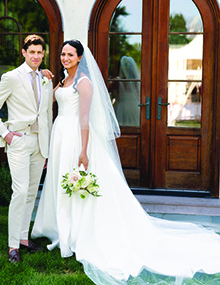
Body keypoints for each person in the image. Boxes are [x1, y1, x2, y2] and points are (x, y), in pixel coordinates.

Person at [31, 40, 220, 284]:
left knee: (79, 187)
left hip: (77, 138)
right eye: (63, 54)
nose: (65, 58)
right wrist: (45, 78)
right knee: (61, 181)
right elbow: (54, 102)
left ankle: (77, 231)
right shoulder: (62, 80)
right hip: (60, 135)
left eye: (70, 54)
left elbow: (85, 120)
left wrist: (84, 151)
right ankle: (59, 226)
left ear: (79, 58)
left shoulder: (84, 83)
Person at [0, 34, 53, 263]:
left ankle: (24, 238)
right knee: (20, 191)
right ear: (23, 53)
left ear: (43, 54)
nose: (36, 56)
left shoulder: (46, 78)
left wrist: (48, 147)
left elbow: (47, 115)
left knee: (32, 192)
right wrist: (5, 134)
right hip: (19, 141)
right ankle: (13, 245)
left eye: (39, 52)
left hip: (39, 143)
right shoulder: (11, 77)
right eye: (31, 52)